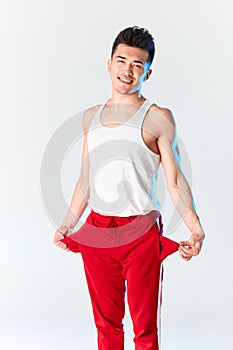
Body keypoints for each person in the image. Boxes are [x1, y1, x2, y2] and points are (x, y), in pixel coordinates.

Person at [53, 26, 205, 350]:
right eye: (121, 60)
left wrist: (196, 229)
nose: (128, 70)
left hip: (140, 233)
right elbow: (85, 178)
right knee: (106, 325)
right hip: (97, 231)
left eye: (138, 64)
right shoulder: (90, 117)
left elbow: (175, 180)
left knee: (145, 327)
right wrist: (67, 224)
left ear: (148, 73)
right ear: (108, 64)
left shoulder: (158, 118)